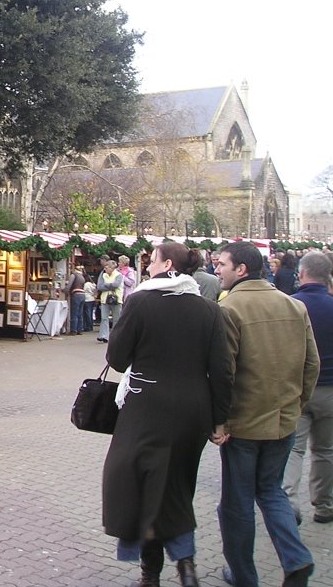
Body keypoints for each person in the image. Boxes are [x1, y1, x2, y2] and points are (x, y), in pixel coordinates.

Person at [102, 244, 233, 587]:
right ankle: (185, 566)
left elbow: (116, 358)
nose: (147, 265)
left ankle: (152, 572)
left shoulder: (141, 302)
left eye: (152, 259)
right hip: (193, 410)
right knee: (174, 487)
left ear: (167, 264)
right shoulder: (208, 309)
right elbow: (222, 371)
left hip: (147, 405)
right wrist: (219, 420)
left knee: (143, 487)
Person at [212, 241, 318, 587]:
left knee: (237, 504)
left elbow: (223, 372)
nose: (217, 270)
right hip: (282, 421)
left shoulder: (229, 309)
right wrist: (296, 405)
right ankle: (296, 558)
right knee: (271, 492)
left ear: (241, 269)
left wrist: (220, 420)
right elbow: (311, 365)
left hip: (243, 425)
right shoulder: (293, 304)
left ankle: (244, 576)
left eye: (222, 264)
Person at [284, 252, 333, 525]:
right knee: (325, 450)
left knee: (294, 449)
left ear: (301, 274)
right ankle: (324, 505)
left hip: (298, 390)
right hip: (330, 390)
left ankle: (289, 503)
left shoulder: (291, 305)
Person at [97, 260, 123, 343]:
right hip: (105, 299)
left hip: (116, 299)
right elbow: (99, 286)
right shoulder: (103, 275)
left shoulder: (119, 275)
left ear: (112, 268)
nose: (105, 269)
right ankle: (104, 336)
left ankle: (116, 336)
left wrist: (106, 285)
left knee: (116, 319)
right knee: (104, 318)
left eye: (107, 267)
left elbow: (116, 285)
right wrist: (110, 286)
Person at [66, 265, 87, 334]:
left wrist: (64, 290)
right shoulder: (82, 277)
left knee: (74, 313)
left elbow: (69, 286)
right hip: (83, 295)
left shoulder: (73, 275)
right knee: (80, 313)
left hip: (76, 294)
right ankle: (80, 329)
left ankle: (73, 330)